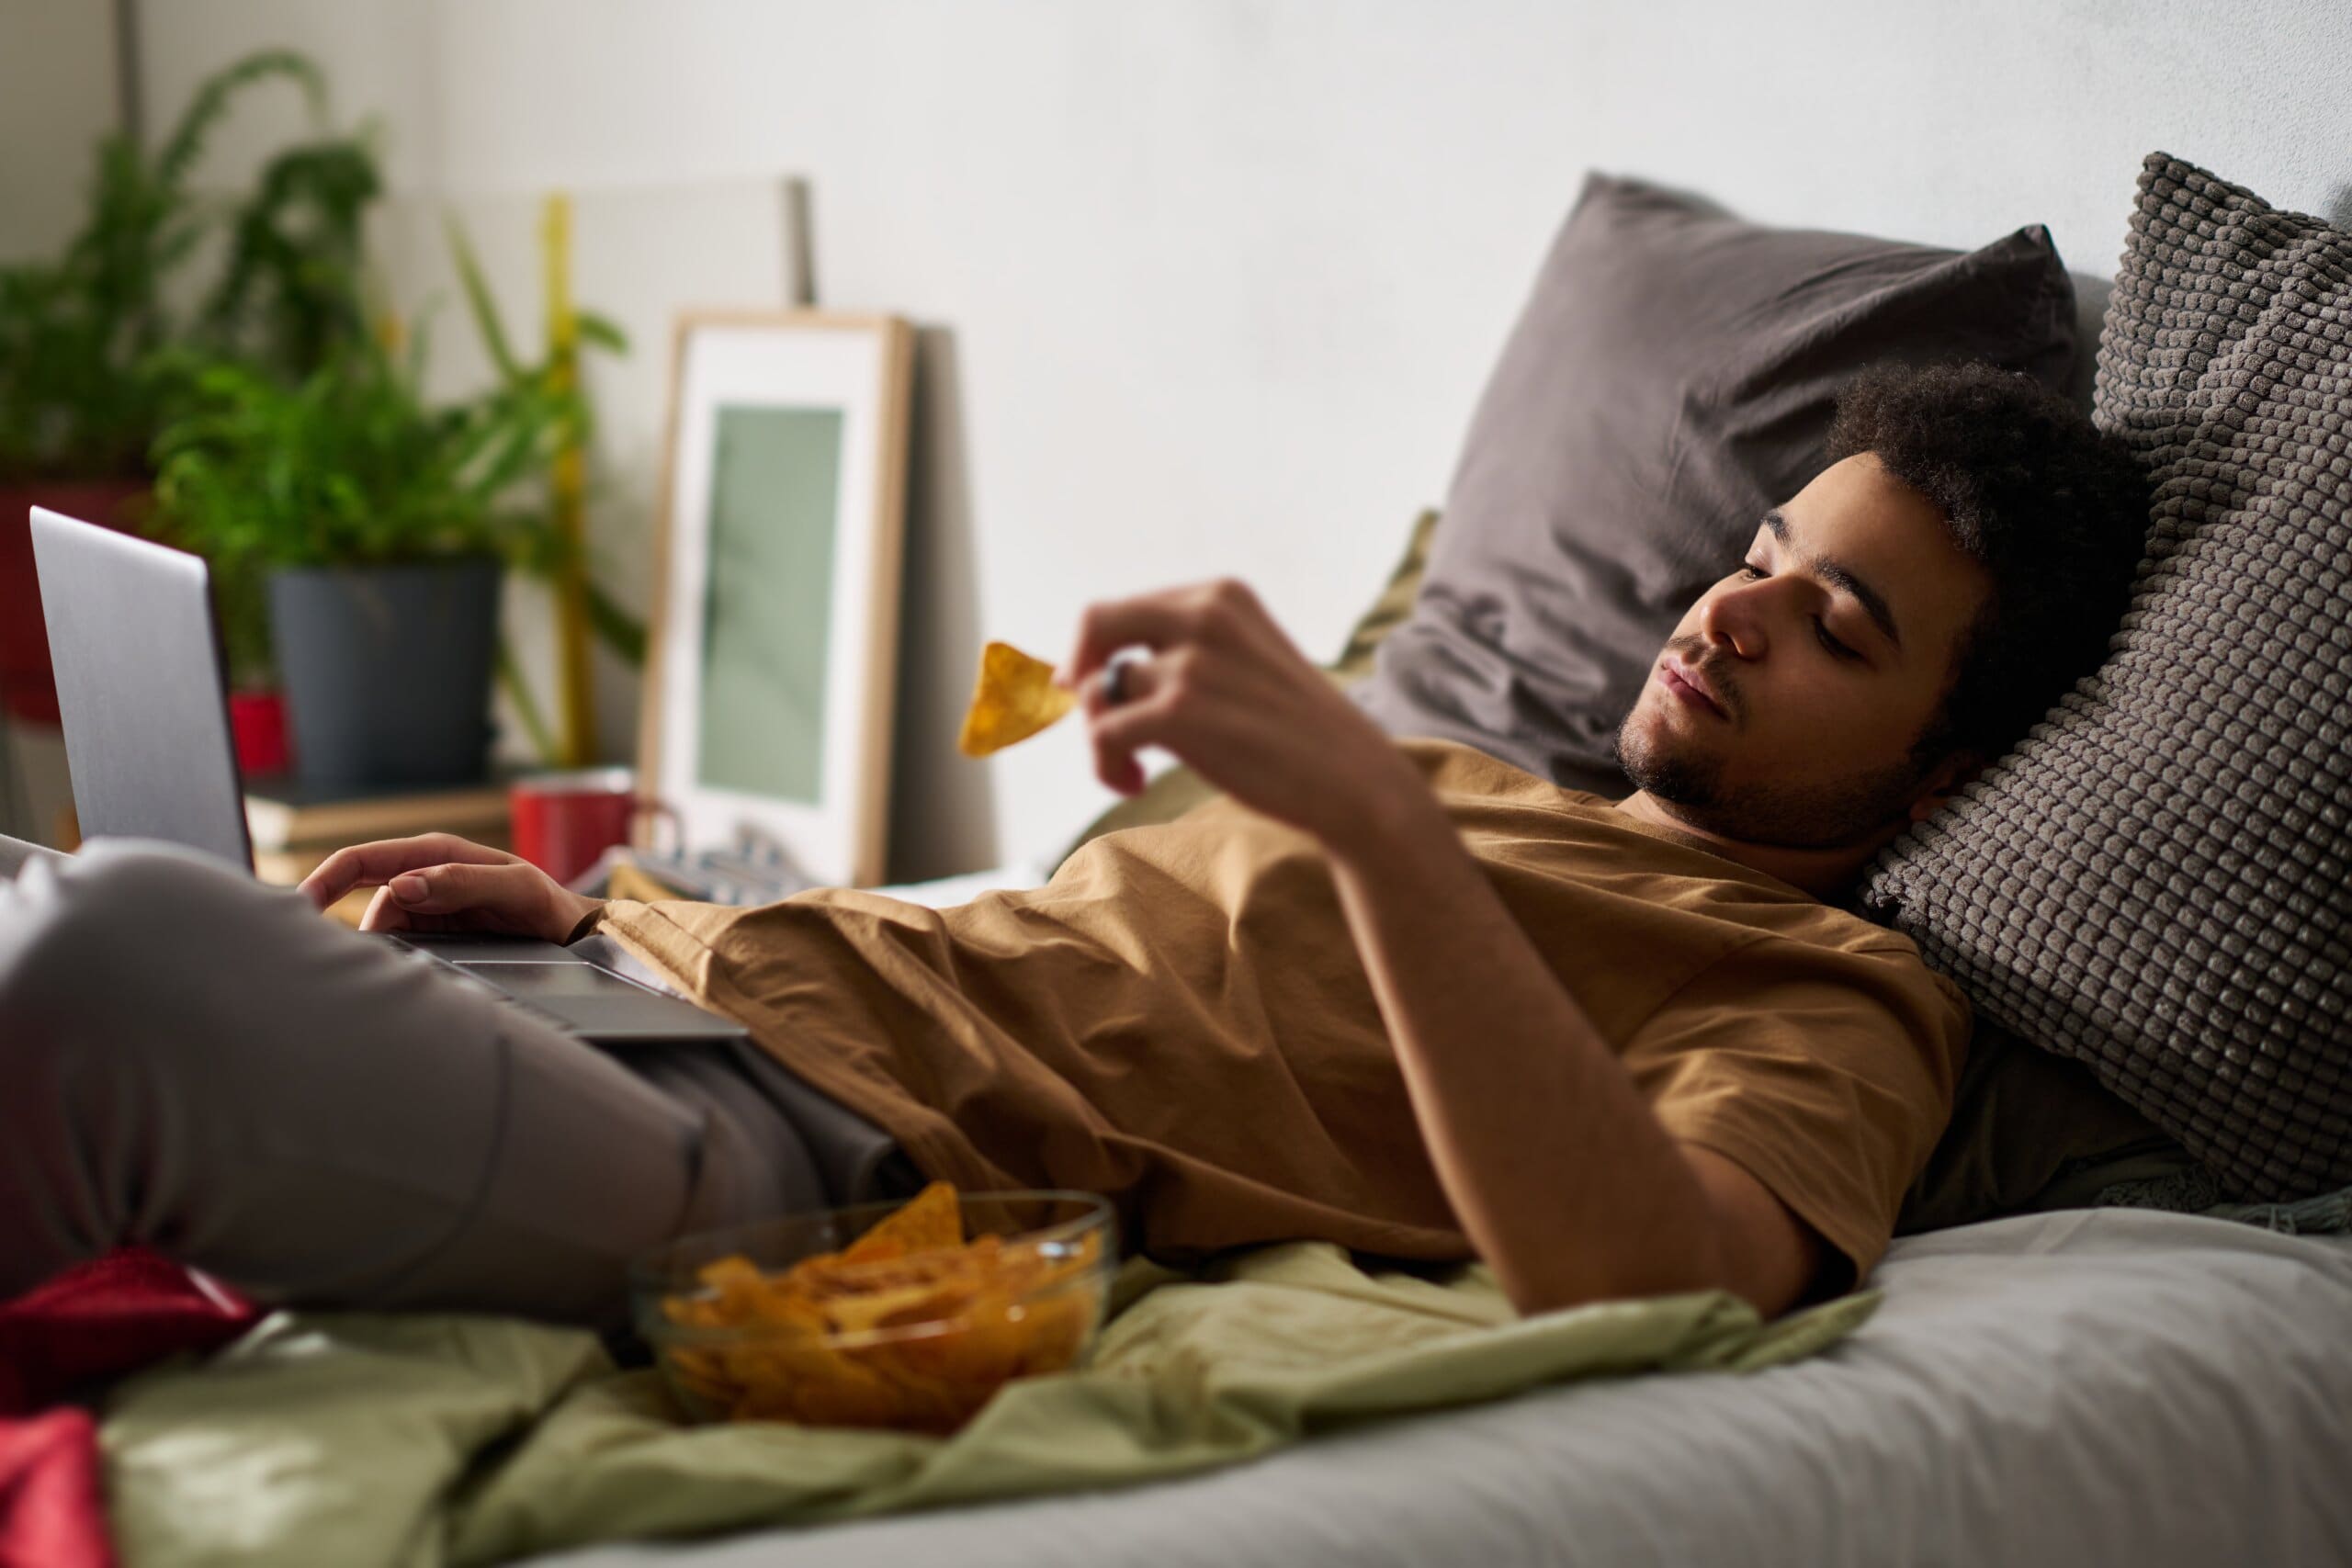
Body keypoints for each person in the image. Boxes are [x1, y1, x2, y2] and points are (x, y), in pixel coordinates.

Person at [0, 360, 2149, 1330]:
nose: (1730, 608)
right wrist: (603, 918)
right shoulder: (1490, 782)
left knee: (108, 968)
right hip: (683, 993)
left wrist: (1372, 818)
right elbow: (1023, 942)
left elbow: (1662, 1272)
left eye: (1832, 627)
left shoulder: (1846, 997)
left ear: (1935, 778)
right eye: (1763, 551)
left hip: (838, 1169)